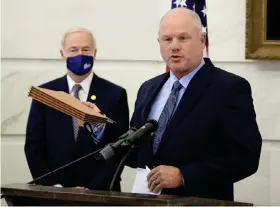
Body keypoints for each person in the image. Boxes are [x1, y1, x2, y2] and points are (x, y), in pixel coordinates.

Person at [127, 8, 262, 201]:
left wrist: (184, 176)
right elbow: (136, 154)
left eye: (183, 38)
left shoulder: (229, 88)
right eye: (167, 39)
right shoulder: (148, 88)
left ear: (202, 40)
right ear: (159, 43)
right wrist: (98, 125)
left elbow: (245, 158)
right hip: (149, 202)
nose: (174, 46)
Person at [24, 27, 129, 191]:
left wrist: (93, 190)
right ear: (62, 54)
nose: (80, 54)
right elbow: (34, 147)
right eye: (73, 50)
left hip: (101, 195)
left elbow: (121, 147)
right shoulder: (45, 94)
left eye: (86, 49)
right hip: (54, 195)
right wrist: (55, 188)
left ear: (95, 53)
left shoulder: (115, 94)